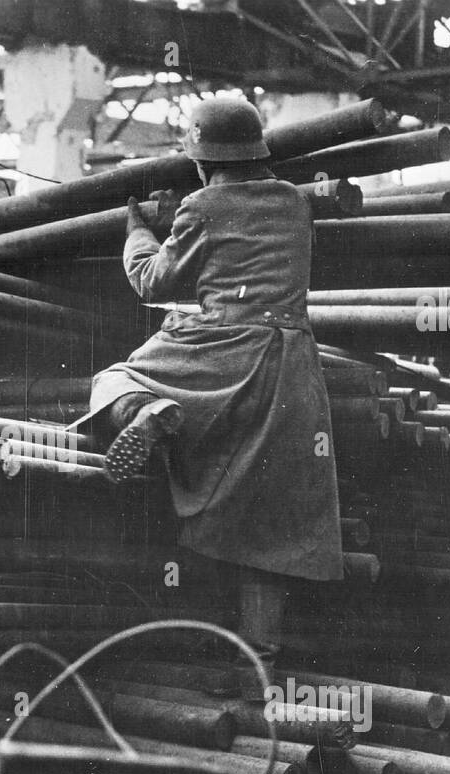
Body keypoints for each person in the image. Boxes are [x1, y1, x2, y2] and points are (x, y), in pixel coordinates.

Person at [78, 95, 343, 659]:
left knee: (114, 376)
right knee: (268, 520)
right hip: (292, 366)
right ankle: (261, 658)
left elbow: (154, 282)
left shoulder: (202, 205)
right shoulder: (297, 204)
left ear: (201, 160)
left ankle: (145, 411)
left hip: (221, 350)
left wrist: (139, 230)